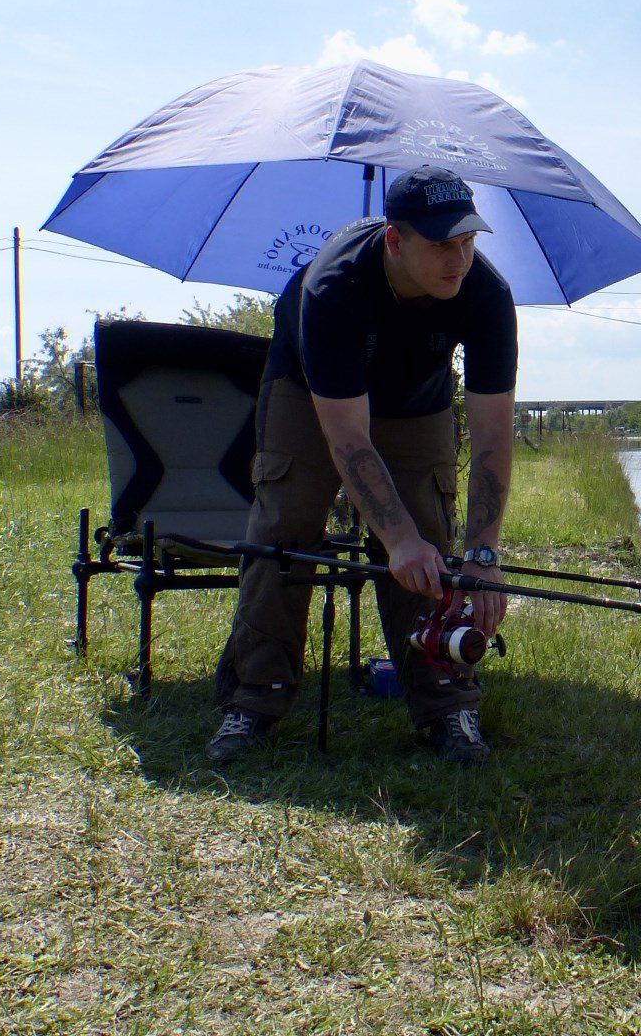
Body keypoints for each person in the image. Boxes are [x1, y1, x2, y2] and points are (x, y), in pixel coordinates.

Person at [208, 165, 517, 766]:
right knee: (284, 526)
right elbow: (346, 438)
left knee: (431, 536)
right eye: (441, 245)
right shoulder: (335, 287)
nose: (459, 259)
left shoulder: (486, 295)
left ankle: (446, 702)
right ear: (394, 240)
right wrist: (393, 539)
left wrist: (482, 554)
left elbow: (491, 440)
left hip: (418, 400)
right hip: (311, 393)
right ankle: (255, 697)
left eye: (468, 241)